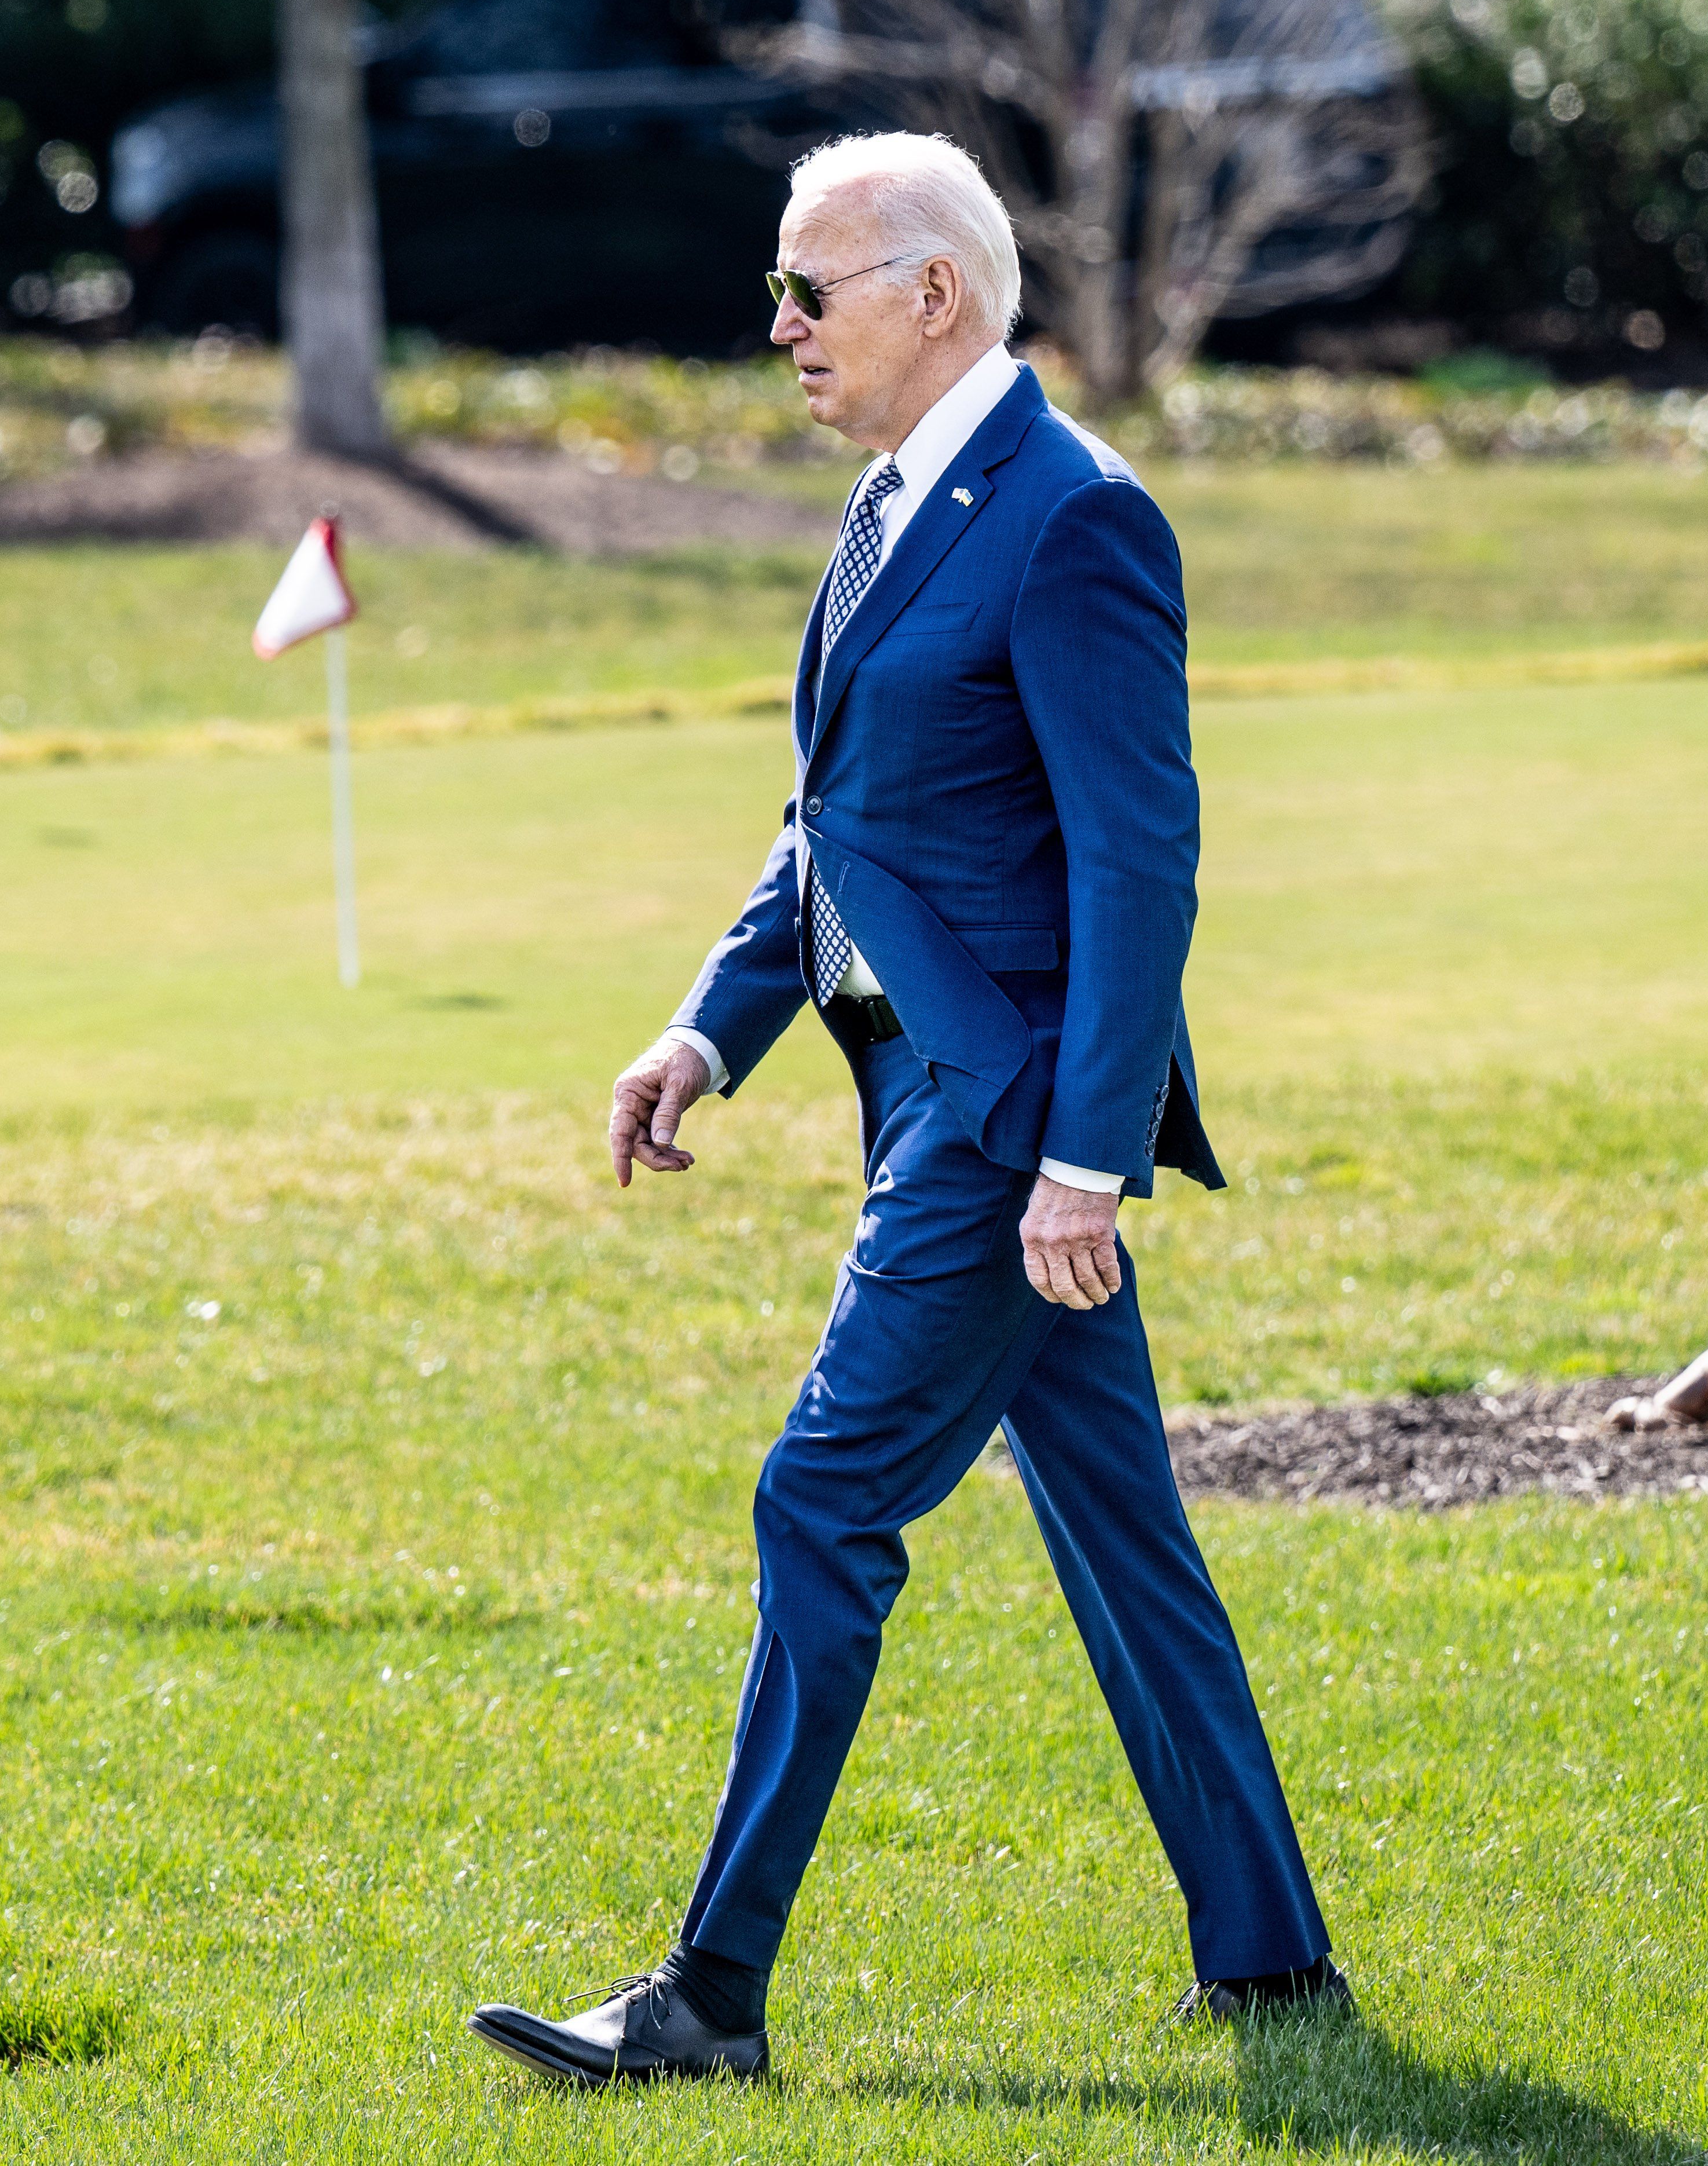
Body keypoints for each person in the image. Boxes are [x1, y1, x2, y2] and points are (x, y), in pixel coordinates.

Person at [463, 133, 1344, 2089]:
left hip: (1006, 1128)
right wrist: (706, 1031)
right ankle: (1275, 1969)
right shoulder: (888, 506)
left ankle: (706, 1997)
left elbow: (1139, 864)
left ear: (934, 292)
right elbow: (838, 828)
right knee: (1124, 1537)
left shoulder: (1072, 518)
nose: (777, 325)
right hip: (930, 1102)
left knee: (819, 1500)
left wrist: (1085, 1161)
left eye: (811, 288)